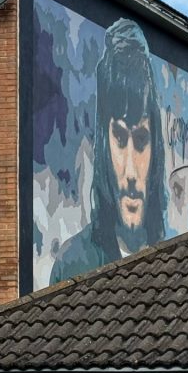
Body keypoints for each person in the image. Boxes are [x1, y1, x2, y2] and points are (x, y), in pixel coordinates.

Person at [50, 18, 165, 283]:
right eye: (121, 139)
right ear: (104, 142)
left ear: (155, 148)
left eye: (141, 140)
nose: (131, 171)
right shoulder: (72, 264)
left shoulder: (182, 259)